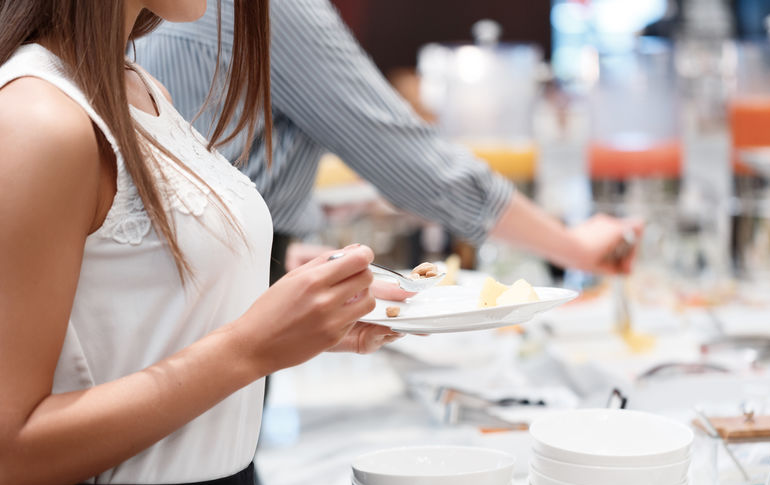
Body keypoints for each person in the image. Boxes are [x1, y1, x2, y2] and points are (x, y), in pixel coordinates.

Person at [0, 1, 402, 485]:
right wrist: (249, 347)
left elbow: (124, 315)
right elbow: (7, 458)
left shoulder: (133, 83)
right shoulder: (37, 117)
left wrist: (297, 322)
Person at [133, 0, 643, 283]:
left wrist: (284, 249)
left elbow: (211, 159)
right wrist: (574, 246)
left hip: (194, 279)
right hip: (203, 297)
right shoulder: (271, 8)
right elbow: (417, 165)